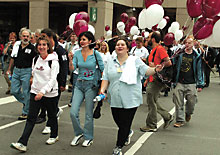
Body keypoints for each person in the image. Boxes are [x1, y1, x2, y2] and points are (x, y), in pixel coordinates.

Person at [99, 38, 163, 155]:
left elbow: (146, 71)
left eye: (122, 44)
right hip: (115, 98)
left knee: (124, 123)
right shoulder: (110, 61)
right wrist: (102, 90)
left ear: (127, 48)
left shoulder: (135, 60)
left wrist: (155, 69)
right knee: (118, 120)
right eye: (118, 45)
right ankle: (127, 132)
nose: (120, 46)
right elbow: (105, 77)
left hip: (131, 98)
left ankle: (118, 147)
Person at [10, 36, 60, 152]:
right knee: (31, 118)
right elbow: (34, 73)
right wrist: (33, 83)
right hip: (35, 92)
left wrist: (43, 92)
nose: (41, 47)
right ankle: (22, 143)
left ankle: (54, 135)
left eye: (44, 45)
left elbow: (52, 80)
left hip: (50, 93)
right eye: (39, 45)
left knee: (52, 115)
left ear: (48, 47)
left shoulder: (54, 61)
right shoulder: (36, 58)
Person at [68, 31, 104, 147]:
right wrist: (70, 60)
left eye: (84, 39)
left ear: (90, 41)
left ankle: (88, 137)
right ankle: (78, 133)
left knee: (88, 113)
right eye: (81, 39)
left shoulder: (96, 54)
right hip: (79, 84)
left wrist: (102, 89)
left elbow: (104, 71)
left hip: (91, 86)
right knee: (73, 112)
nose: (81, 41)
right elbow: (73, 69)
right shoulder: (77, 53)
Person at [35, 28, 68, 134]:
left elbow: (64, 67)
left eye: (44, 37)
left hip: (55, 83)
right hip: (44, 82)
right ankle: (55, 112)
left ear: (50, 37)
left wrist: (63, 83)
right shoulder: (45, 50)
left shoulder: (60, 50)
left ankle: (50, 125)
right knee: (44, 103)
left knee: (51, 106)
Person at [140, 31, 173, 132]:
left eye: (149, 37)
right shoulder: (155, 49)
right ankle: (167, 116)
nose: (147, 39)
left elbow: (168, 62)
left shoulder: (159, 49)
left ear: (153, 39)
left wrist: (156, 67)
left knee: (151, 101)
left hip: (157, 79)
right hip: (152, 78)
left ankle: (151, 124)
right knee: (153, 101)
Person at [173, 36, 203, 128]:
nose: (187, 44)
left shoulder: (196, 56)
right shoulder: (180, 54)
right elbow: (173, 62)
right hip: (180, 82)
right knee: (178, 102)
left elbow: (199, 70)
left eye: (189, 43)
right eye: (186, 43)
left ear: (193, 44)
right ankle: (179, 120)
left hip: (191, 82)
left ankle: (188, 113)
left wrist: (200, 84)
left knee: (191, 102)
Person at [7, 27, 37, 120]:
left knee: (26, 92)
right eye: (24, 36)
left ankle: (25, 112)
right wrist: (9, 69)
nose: (25, 38)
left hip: (26, 71)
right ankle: (26, 102)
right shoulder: (16, 46)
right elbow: (13, 58)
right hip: (16, 70)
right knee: (14, 91)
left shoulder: (32, 48)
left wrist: (32, 74)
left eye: (27, 36)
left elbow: (35, 61)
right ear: (20, 36)